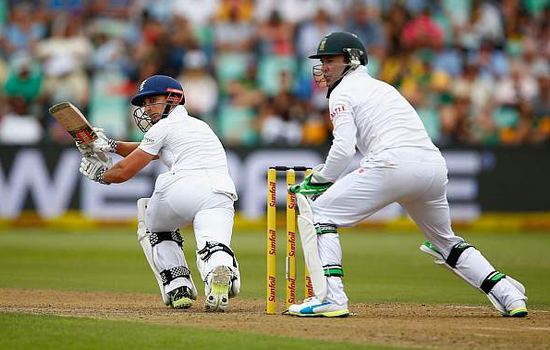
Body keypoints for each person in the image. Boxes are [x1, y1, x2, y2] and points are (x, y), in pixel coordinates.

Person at [285, 32, 528, 318]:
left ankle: (332, 298)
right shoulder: (384, 88)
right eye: (322, 61)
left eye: (330, 60)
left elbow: (343, 149)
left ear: (351, 60)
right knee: (445, 241)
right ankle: (510, 296)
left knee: (321, 213)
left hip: (392, 164)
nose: (324, 67)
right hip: (433, 166)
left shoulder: (341, 93)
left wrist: (317, 181)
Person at [77, 75, 241, 312]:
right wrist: (111, 145)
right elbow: (152, 151)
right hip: (221, 193)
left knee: (151, 221)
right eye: (144, 103)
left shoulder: (163, 127)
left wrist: (100, 175)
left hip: (182, 189)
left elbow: (124, 171)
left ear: (173, 98)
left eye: (152, 100)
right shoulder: (199, 125)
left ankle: (178, 285)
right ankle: (220, 270)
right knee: (212, 244)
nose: (146, 108)